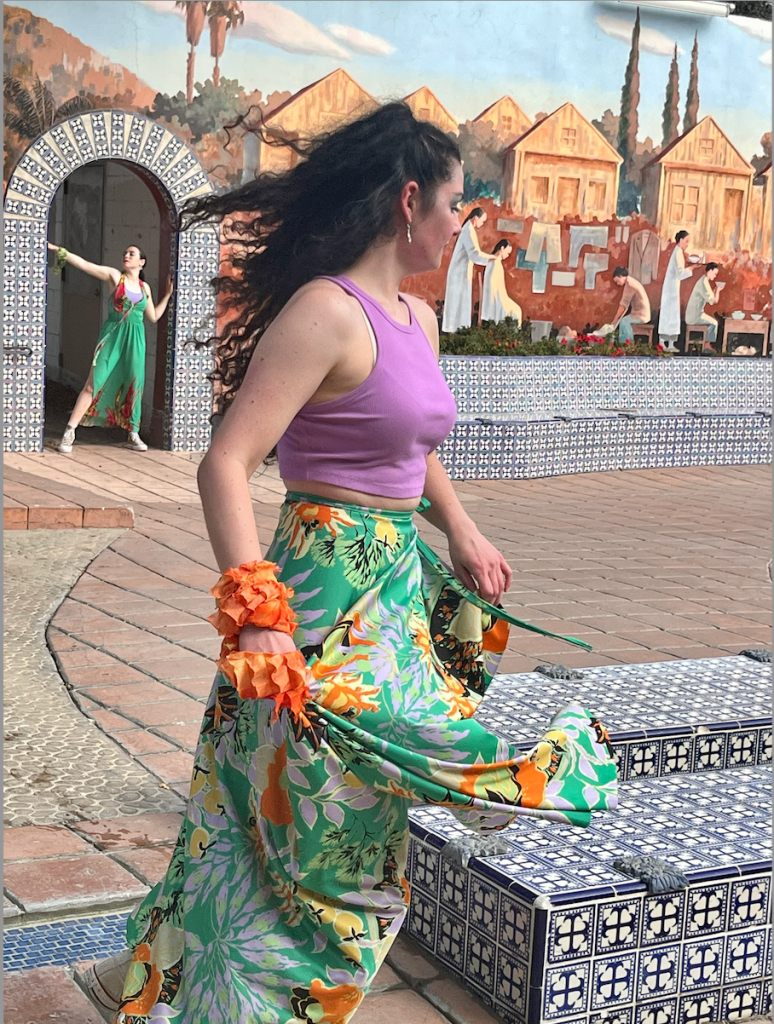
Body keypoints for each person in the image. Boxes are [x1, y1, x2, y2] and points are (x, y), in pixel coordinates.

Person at [94, 103, 616, 1024]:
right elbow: (225, 461)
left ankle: (150, 978)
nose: (463, 223)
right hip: (317, 591)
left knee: (327, 807)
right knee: (298, 803)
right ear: (410, 201)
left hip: (393, 590)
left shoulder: (417, 317)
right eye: (456, 204)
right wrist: (255, 613)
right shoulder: (325, 313)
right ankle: (226, 990)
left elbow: (414, 448)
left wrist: (460, 527)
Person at [47, 242, 173, 453]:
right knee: (92, 383)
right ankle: (69, 432)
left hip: (136, 340)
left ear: (142, 262)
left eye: (131, 253)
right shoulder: (115, 277)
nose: (126, 255)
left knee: (135, 384)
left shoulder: (145, 288)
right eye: (125, 253)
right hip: (113, 336)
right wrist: (62, 253)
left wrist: (168, 295)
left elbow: (153, 316)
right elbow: (86, 265)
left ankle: (133, 433)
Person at [441, 205, 496, 332]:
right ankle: (454, 333)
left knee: (461, 305)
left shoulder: (468, 229)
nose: (482, 224)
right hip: (458, 275)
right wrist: (491, 258)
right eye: (482, 220)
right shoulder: (468, 231)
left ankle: (458, 331)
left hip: (462, 274)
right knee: (456, 305)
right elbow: (474, 254)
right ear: (475, 218)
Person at [658, 230, 699, 353]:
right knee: (668, 315)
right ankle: (662, 342)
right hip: (670, 290)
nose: (687, 244)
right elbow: (680, 274)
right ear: (680, 240)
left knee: (672, 316)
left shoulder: (678, 253)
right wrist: (693, 267)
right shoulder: (677, 253)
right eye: (686, 241)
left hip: (673, 288)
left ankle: (670, 343)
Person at [481, 239, 522, 325]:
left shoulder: (495, 262)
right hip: (495, 299)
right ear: (502, 248)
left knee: (516, 310)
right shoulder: (494, 263)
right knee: (516, 311)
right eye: (507, 253)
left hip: (499, 297)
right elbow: (492, 285)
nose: (507, 256)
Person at [685, 262, 723, 349]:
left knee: (713, 322)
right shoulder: (704, 283)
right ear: (710, 271)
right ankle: (707, 345)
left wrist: (716, 290)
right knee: (714, 323)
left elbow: (709, 297)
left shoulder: (704, 280)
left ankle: (706, 343)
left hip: (695, 314)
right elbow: (714, 301)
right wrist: (717, 290)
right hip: (694, 316)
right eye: (715, 273)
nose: (715, 276)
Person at [610, 266, 651, 343]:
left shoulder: (630, 284)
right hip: (639, 313)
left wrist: (615, 319)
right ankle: (624, 343)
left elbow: (623, 305)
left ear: (620, 276)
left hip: (641, 315)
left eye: (617, 281)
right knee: (623, 320)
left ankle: (628, 344)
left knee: (624, 322)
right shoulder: (631, 281)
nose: (617, 284)